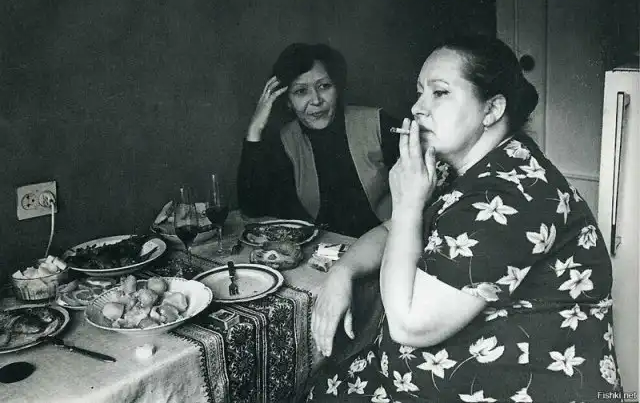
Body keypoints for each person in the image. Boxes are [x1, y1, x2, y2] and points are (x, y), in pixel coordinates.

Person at [304, 34, 623, 402]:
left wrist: (406, 204)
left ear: (492, 110)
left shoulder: (511, 194)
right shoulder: (458, 168)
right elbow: (392, 232)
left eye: (439, 93)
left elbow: (409, 326)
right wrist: (343, 271)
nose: (417, 108)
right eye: (420, 92)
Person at [237, 43, 402, 237]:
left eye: (324, 86)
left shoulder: (378, 123)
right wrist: (255, 129)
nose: (316, 100)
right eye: (301, 91)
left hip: (388, 242)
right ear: (288, 101)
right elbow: (252, 209)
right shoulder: (285, 141)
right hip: (321, 250)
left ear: (337, 88)